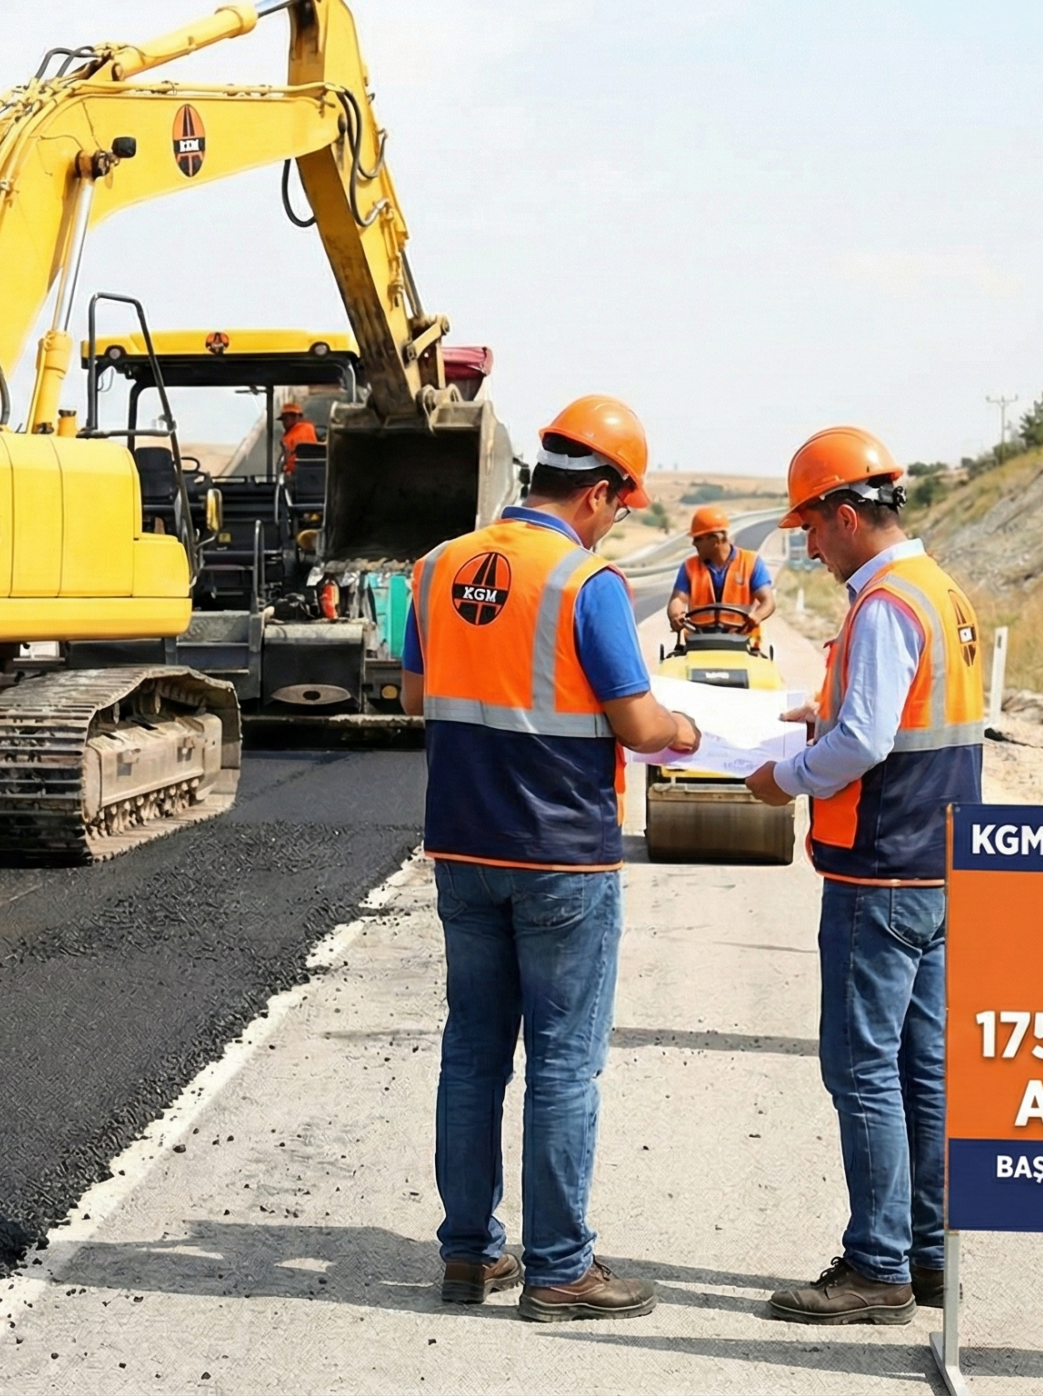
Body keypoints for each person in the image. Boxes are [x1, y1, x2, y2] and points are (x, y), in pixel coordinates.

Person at [400, 394, 704, 1323]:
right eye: (620, 503)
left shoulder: (438, 567)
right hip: (563, 858)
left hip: (463, 845)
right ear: (602, 493)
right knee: (565, 1065)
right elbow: (640, 723)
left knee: (472, 1055)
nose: (616, 519)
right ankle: (562, 1269)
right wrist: (690, 732)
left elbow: (419, 698)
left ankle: (468, 1257)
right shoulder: (586, 584)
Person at [743, 425, 985, 1326]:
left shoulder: (885, 603)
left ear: (849, 515)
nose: (809, 543)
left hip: (880, 870)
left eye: (814, 525)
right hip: (939, 868)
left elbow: (869, 742)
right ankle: (927, 1256)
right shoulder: (943, 593)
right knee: (922, 1070)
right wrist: (828, 707)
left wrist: (786, 778)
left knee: (863, 1071)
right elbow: (907, 712)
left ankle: (876, 1266)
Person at [664, 505, 776, 641]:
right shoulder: (689, 566)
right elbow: (678, 598)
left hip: (741, 640)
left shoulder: (751, 562)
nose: (694, 544)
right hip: (698, 641)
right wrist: (676, 615)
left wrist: (757, 616)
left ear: (715, 540)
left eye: (698, 539)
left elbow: (768, 601)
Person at [277, 399, 320, 476]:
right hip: (316, 472)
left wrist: (287, 471)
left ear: (296, 417)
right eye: (282, 420)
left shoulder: (287, 438)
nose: (283, 423)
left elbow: (289, 461)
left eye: (286, 419)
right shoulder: (311, 428)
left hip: (296, 474)